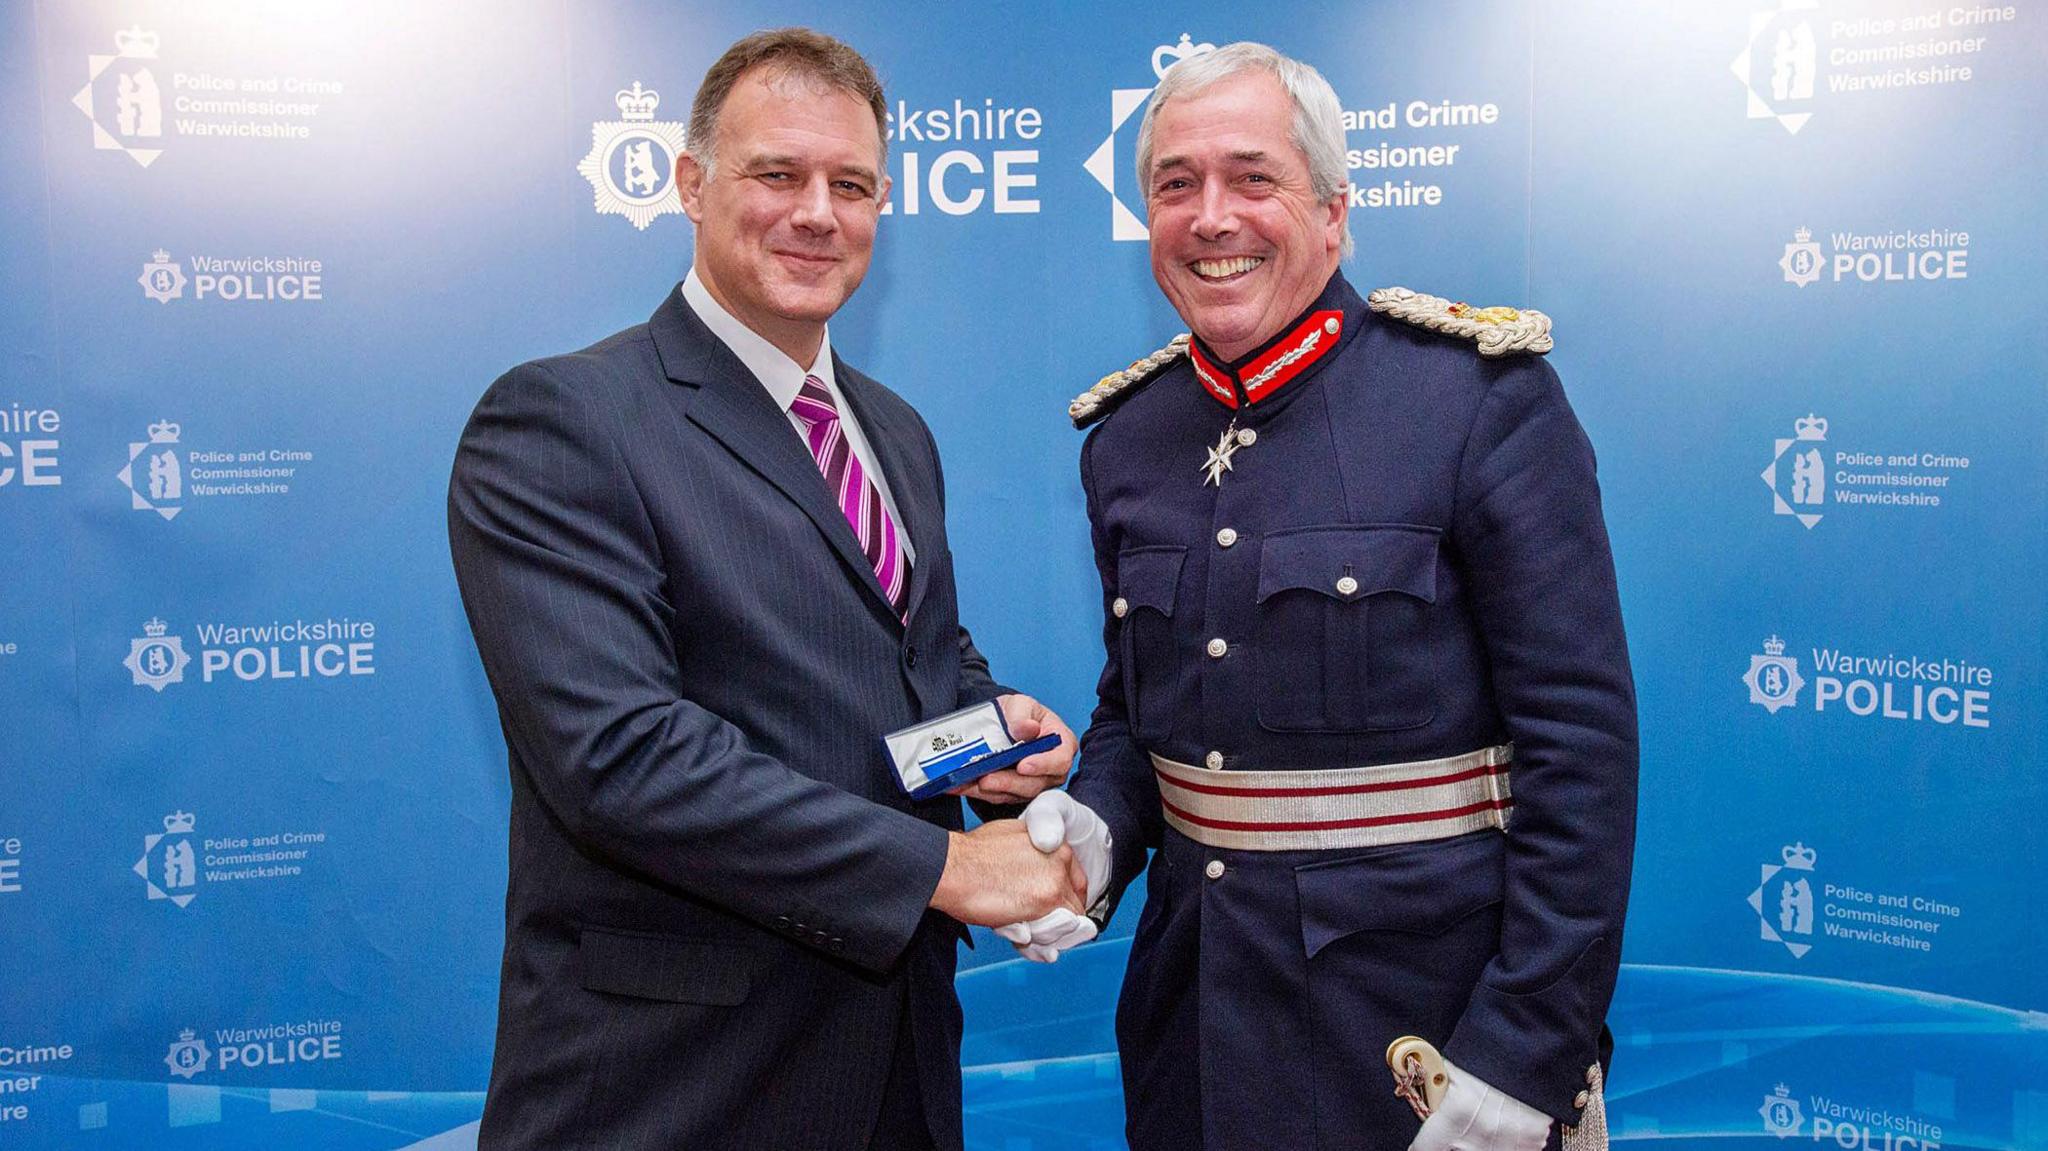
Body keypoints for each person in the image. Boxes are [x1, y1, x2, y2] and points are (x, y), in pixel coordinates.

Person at [447, 28, 1083, 1151]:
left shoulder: (891, 429)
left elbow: (899, 663)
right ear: (691, 184)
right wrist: (943, 865)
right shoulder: (563, 420)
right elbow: (620, 757)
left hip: (896, 1060)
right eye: (776, 174)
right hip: (676, 1086)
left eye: (851, 184)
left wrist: (989, 738)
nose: (817, 213)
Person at [1005, 42, 1638, 1151]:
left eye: (1252, 179)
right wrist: (1099, 822)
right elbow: (1142, 711)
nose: (1211, 217)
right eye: (1174, 185)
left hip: (1423, 1041)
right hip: (1191, 1030)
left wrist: (1528, 1042)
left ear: (1333, 210)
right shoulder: (1128, 440)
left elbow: (1578, 748)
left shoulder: (1478, 401)